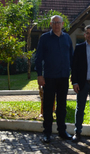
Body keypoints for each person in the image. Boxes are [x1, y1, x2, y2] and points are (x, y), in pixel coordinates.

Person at [35, 15, 74, 143]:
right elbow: (38, 57)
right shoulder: (45, 38)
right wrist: (40, 75)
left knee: (62, 106)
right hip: (49, 78)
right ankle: (47, 133)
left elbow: (71, 57)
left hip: (63, 77)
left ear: (62, 24)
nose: (57, 25)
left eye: (59, 23)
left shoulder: (67, 38)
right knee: (47, 107)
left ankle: (62, 131)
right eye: (54, 22)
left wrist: (73, 74)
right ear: (51, 24)